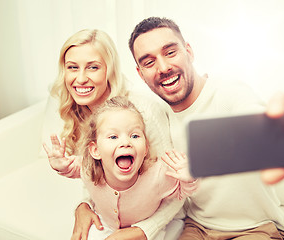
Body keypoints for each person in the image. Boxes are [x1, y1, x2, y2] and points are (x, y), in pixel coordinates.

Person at [128, 16, 284, 239]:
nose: (163, 67)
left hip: (255, 229)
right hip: (197, 227)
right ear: (140, 73)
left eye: (170, 52)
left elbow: (257, 121)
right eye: (149, 62)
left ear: (188, 51)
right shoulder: (157, 115)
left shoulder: (228, 92)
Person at [42, 28, 183, 240]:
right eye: (72, 67)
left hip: (159, 222)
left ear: (109, 71)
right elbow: (98, 173)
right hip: (113, 217)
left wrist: (142, 231)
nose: (80, 79)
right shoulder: (80, 110)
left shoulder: (144, 113)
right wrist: (84, 205)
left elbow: (175, 185)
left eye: (93, 67)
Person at [44, 96, 197, 239]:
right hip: (107, 225)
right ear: (95, 150)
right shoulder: (86, 167)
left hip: (148, 230)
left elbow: (182, 192)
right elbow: (70, 168)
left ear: (145, 148)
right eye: (113, 137)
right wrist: (60, 166)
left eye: (135, 136)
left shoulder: (158, 175)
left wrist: (188, 177)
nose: (126, 142)